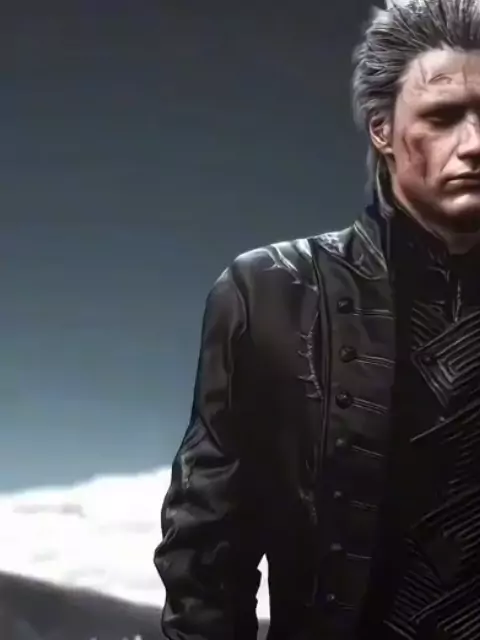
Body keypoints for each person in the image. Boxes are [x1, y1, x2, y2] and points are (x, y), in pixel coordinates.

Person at [154, 0, 480, 638]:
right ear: (382, 129)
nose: (475, 145)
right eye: (443, 118)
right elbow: (208, 540)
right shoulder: (274, 292)